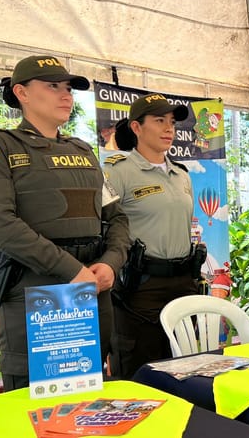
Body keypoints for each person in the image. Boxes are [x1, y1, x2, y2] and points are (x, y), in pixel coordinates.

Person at [0, 55, 129, 391]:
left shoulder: (84, 151)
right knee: (37, 407)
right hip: (35, 295)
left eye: (68, 88)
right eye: (53, 86)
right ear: (22, 93)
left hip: (93, 289)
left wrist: (111, 263)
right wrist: (72, 271)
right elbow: (1, 223)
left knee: (90, 401)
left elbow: (116, 218)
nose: (66, 95)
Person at [103, 93, 204, 379]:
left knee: (184, 371)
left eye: (171, 122)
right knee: (141, 373)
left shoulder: (182, 175)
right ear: (136, 128)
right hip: (140, 288)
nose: (169, 128)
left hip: (183, 284)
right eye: (159, 121)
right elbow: (105, 227)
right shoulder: (117, 172)